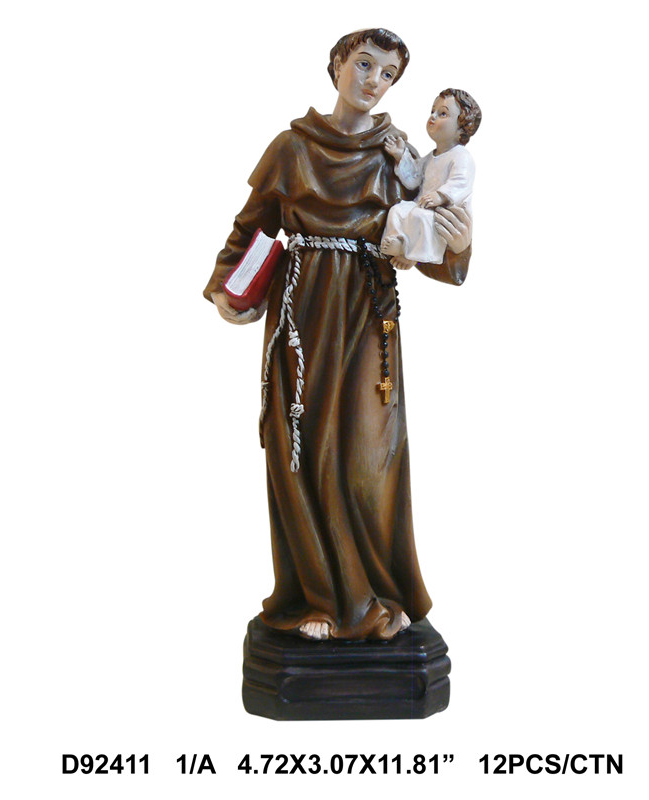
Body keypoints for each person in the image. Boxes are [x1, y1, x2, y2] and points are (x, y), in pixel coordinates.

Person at [203, 29, 472, 641]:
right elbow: (250, 230)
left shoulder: (399, 156)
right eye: (364, 64)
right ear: (338, 65)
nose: (373, 80)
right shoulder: (291, 147)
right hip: (302, 315)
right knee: (300, 451)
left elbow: (431, 240)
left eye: (388, 74)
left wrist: (458, 246)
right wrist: (226, 290)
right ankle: (319, 599)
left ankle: (376, 593)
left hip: (368, 313)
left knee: (367, 458)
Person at [381, 88, 481, 269]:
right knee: (399, 210)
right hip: (422, 204)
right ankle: (398, 241)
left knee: (420, 217)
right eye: (432, 111)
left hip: (441, 212)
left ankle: (414, 256)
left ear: (462, 127)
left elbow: (460, 183)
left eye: (442, 113)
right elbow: (414, 178)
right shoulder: (431, 157)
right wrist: (400, 155)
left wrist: (440, 196)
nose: (433, 117)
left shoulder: (461, 157)